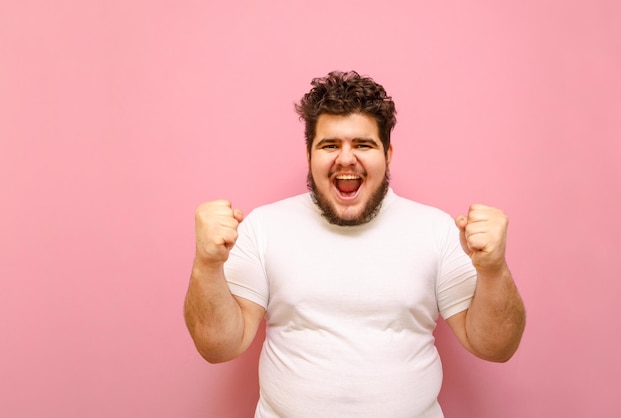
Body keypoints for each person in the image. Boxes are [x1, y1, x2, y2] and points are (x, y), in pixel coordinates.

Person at [184, 70, 526, 417]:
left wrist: (494, 270)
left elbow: (495, 347)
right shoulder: (264, 227)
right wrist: (207, 264)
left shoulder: (436, 230)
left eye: (363, 144)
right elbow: (220, 347)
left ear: (387, 154)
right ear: (309, 154)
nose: (346, 159)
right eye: (330, 145)